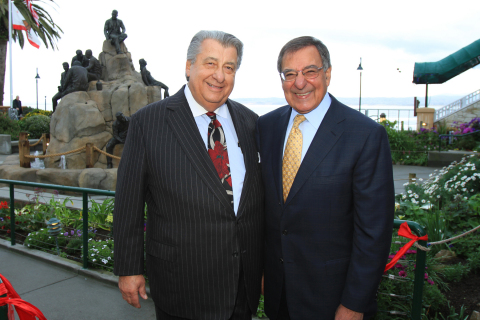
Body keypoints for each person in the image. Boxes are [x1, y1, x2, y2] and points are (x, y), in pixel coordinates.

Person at [113, 30, 264, 320]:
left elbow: (258, 205)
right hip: (182, 287)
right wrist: (129, 268)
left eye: (229, 67)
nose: (219, 76)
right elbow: (128, 204)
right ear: (188, 66)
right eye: (210, 63)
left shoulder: (251, 122)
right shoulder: (148, 123)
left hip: (241, 288)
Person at [256, 36, 394, 320]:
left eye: (310, 71)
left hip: (334, 301)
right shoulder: (266, 126)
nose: (300, 82)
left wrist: (354, 304)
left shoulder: (365, 135)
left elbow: (374, 233)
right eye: (290, 74)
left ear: (327, 74)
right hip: (278, 296)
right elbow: (266, 212)